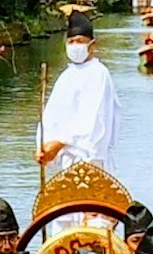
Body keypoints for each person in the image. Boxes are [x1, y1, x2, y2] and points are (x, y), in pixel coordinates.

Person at [38, 26, 115, 173]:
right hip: (65, 159)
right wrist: (44, 147)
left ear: (92, 45)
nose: (74, 46)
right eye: (71, 41)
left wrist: (61, 143)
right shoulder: (67, 75)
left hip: (91, 161)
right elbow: (53, 116)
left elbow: (94, 121)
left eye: (79, 41)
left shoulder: (98, 74)